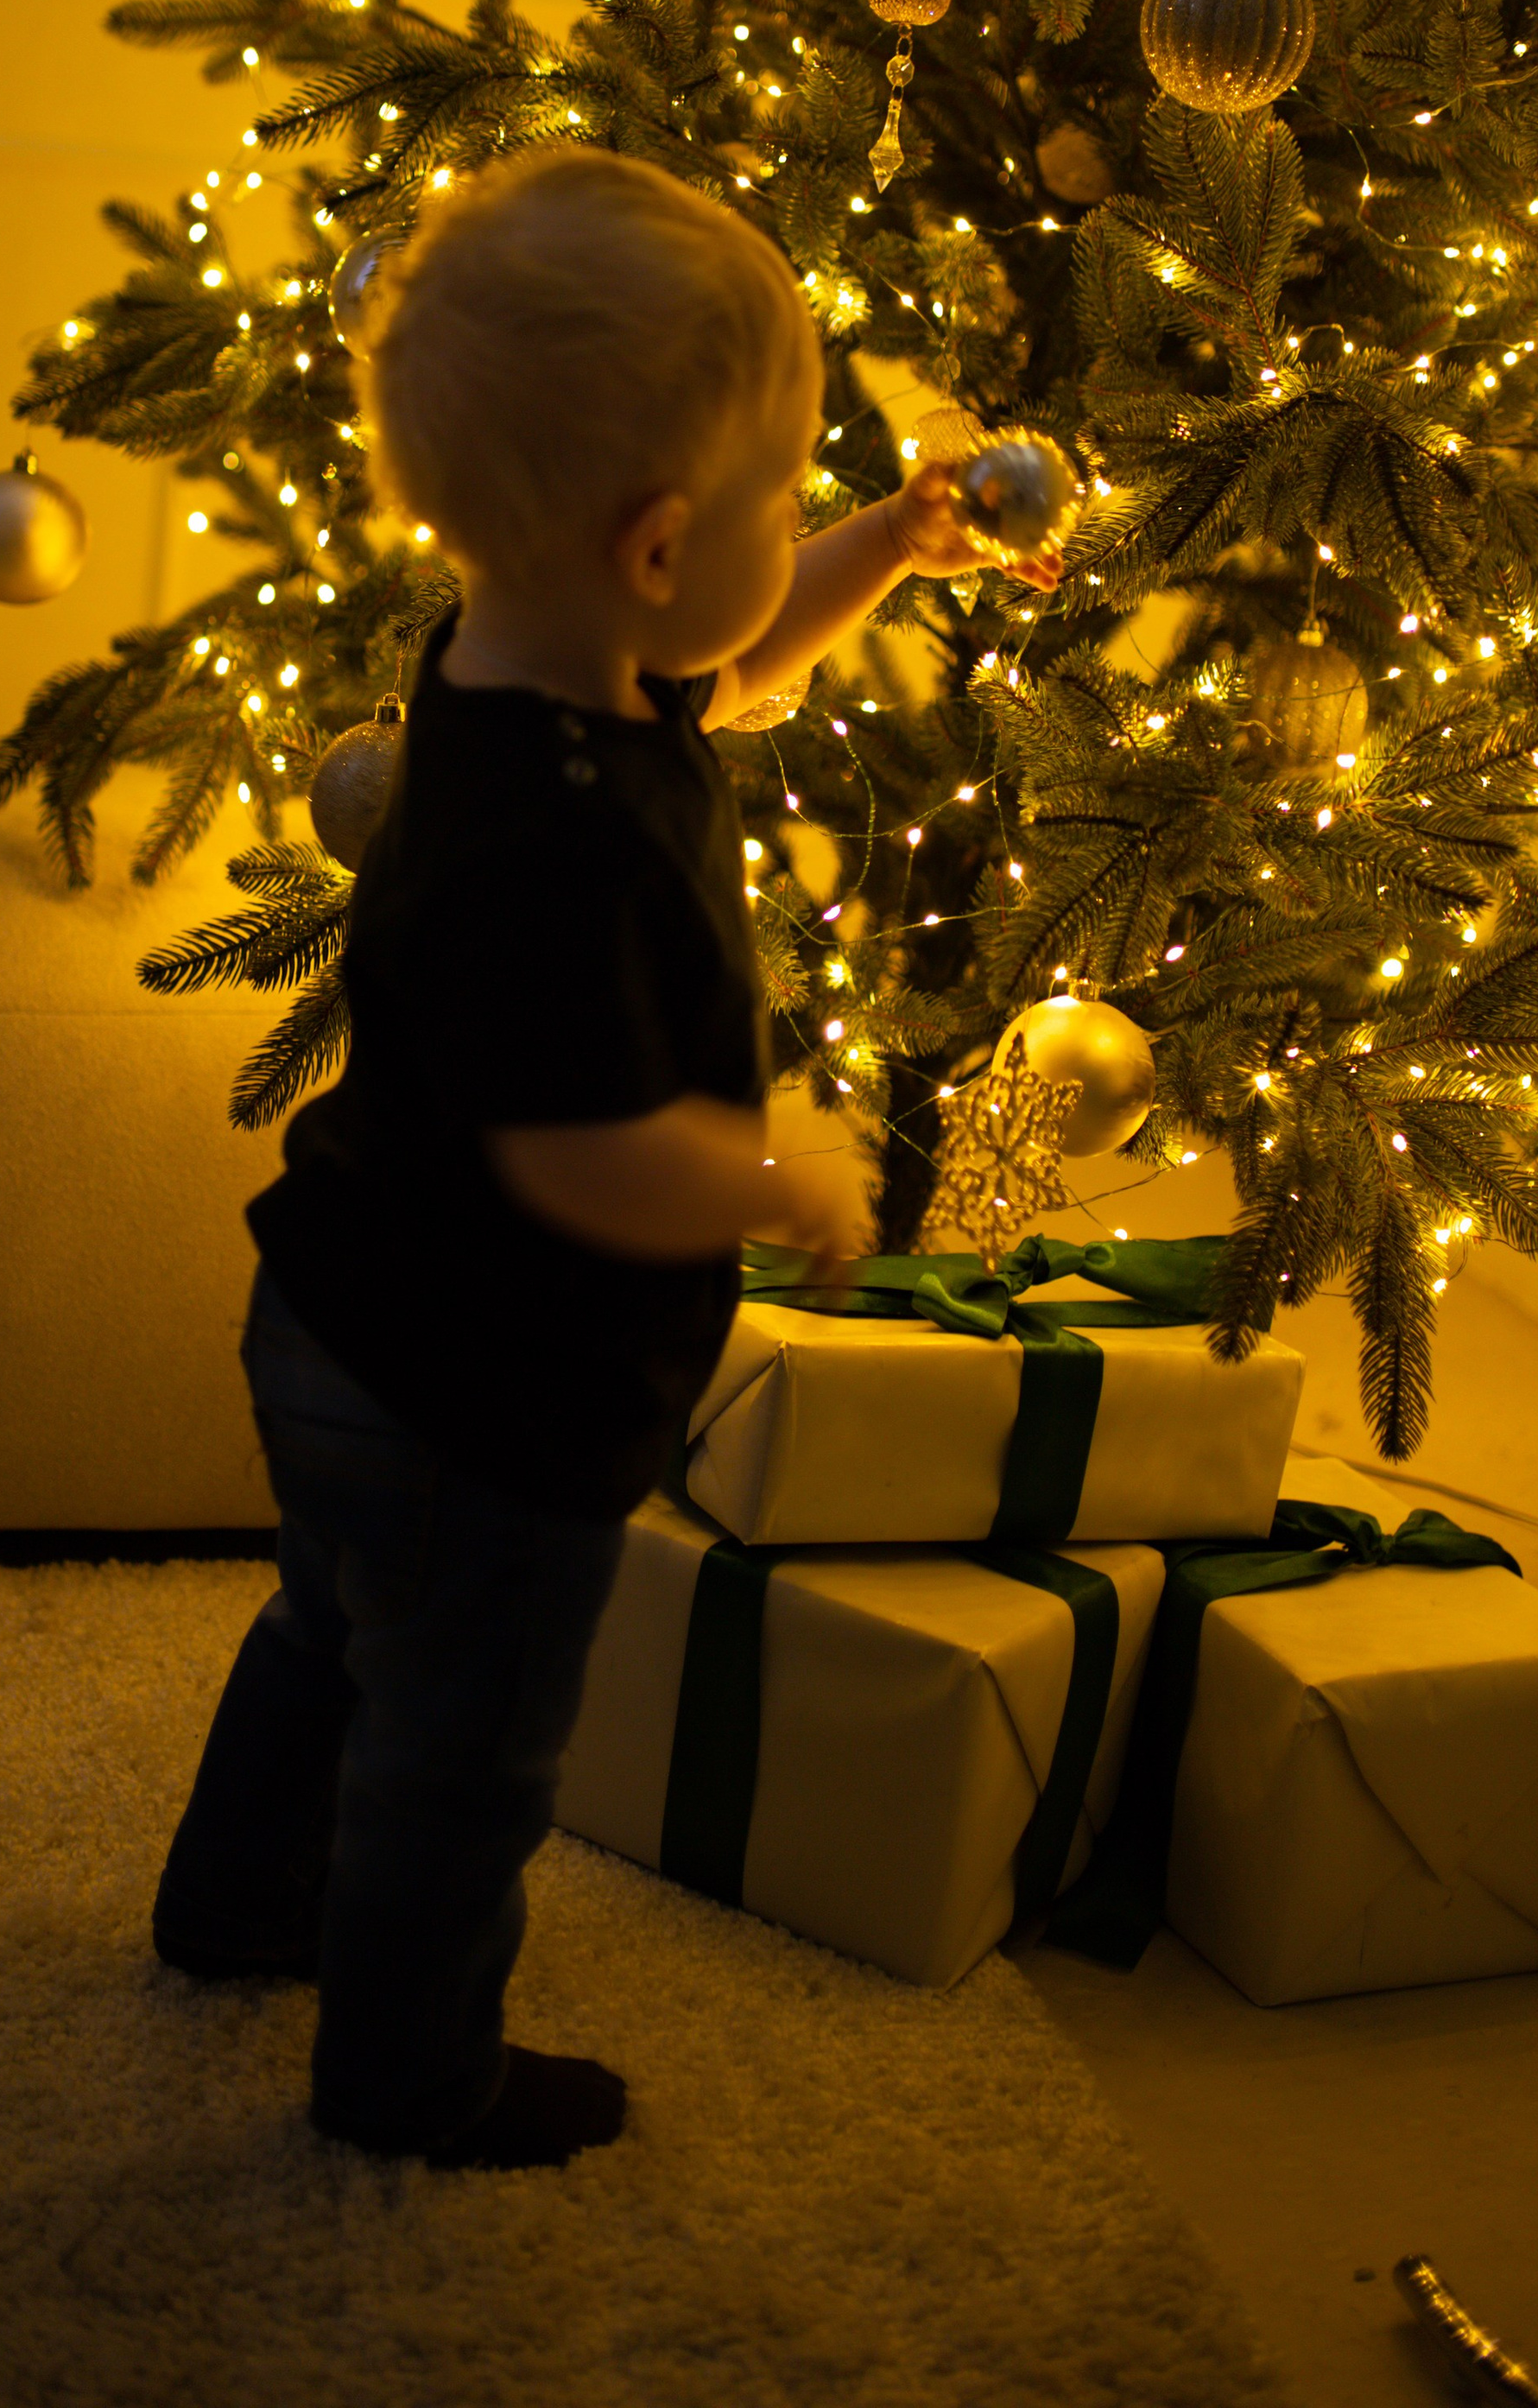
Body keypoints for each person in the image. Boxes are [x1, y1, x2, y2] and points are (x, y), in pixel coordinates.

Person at [150, 147, 1053, 2171]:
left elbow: (745, 647)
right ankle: (407, 2080)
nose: (781, 544)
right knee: (459, 1752)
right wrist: (783, 1181)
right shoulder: (547, 847)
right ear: (654, 545)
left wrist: (884, 545)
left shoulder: (527, 671)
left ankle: (229, 1903)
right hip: (474, 1393)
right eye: (773, 493)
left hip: (343, 1321)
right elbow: (586, 1159)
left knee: (323, 1628)